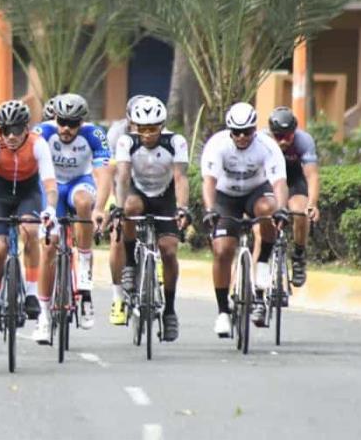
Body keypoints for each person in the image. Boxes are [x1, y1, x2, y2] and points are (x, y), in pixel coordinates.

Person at [201, 102, 289, 336]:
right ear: (229, 130)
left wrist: (281, 209)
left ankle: (261, 266)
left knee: (267, 210)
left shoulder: (267, 146)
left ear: (254, 129)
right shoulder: (217, 145)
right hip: (225, 196)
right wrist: (210, 209)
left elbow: (279, 182)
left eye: (247, 132)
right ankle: (222, 312)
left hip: (255, 192)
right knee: (222, 250)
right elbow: (209, 181)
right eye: (236, 132)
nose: (241, 137)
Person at [0, 100, 58, 335]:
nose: (10, 136)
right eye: (5, 130)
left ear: (26, 129)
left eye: (16, 130)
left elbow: (50, 183)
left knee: (30, 231)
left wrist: (50, 208)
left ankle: (31, 293)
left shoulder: (38, 144)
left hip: (27, 193)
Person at [31, 93, 110, 341]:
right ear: (54, 117)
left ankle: (84, 276)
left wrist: (100, 208)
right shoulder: (42, 132)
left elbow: (103, 175)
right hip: (51, 187)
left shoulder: (93, 135)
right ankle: (44, 317)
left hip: (79, 182)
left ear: (81, 122)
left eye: (72, 123)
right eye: (62, 121)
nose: (66, 128)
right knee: (49, 248)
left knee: (85, 202)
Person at [113, 96, 190, 342]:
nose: (147, 134)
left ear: (162, 125)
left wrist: (182, 208)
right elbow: (123, 177)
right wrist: (118, 207)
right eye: (142, 128)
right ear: (134, 126)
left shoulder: (175, 142)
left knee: (168, 250)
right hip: (138, 193)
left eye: (152, 129)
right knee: (130, 206)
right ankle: (130, 265)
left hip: (165, 196)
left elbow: (180, 178)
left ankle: (169, 311)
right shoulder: (127, 141)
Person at [266, 106, 319, 287]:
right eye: (278, 137)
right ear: (271, 133)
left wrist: (312, 204)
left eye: (288, 136)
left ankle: (298, 257)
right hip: (271, 179)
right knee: (263, 210)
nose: (283, 142)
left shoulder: (304, 141)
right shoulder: (261, 140)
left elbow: (311, 176)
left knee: (300, 211)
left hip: (294, 178)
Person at [105, 94, 146, 325]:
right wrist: (114, 204)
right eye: (135, 125)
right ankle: (118, 297)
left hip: (148, 187)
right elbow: (112, 171)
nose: (141, 130)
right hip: (120, 187)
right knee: (117, 238)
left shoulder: (158, 133)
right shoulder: (116, 133)